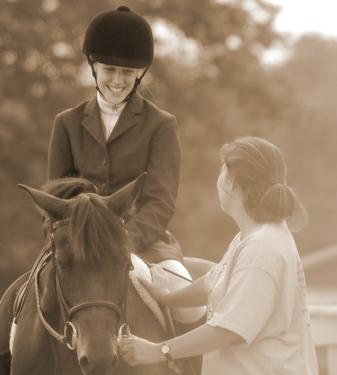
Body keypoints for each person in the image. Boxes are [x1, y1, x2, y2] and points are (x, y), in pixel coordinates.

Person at [47, 6, 204, 324]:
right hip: (77, 247)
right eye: (109, 70)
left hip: (143, 244)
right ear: (93, 65)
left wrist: (124, 242)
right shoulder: (66, 123)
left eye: (127, 73)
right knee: (17, 309)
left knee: (192, 309)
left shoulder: (161, 125)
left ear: (140, 73)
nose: (118, 81)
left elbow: (160, 202)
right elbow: (57, 201)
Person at [119, 136, 319, 375]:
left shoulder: (263, 249)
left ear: (231, 183)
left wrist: (157, 351)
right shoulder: (250, 237)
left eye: (222, 171)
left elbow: (228, 330)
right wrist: (165, 297)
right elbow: (213, 282)